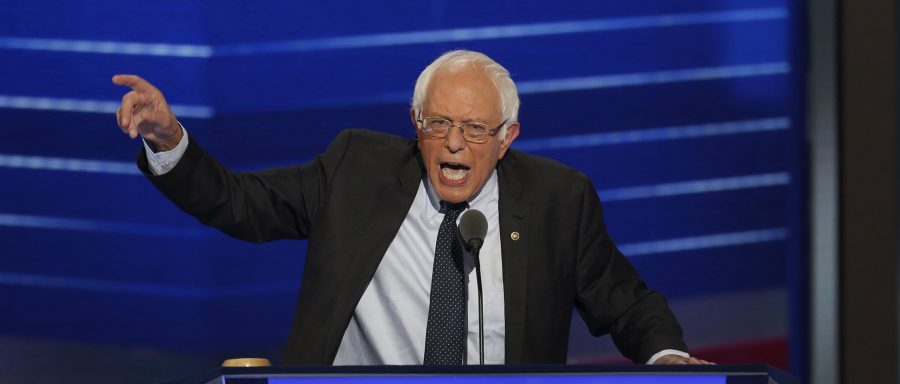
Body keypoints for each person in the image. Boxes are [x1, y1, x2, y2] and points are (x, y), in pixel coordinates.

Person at [112, 50, 710, 366]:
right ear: (414, 124)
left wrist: (667, 356)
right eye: (439, 124)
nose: (454, 143)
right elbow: (240, 205)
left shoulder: (558, 200)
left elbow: (627, 302)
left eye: (475, 128)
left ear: (509, 137)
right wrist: (170, 141)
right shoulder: (357, 170)